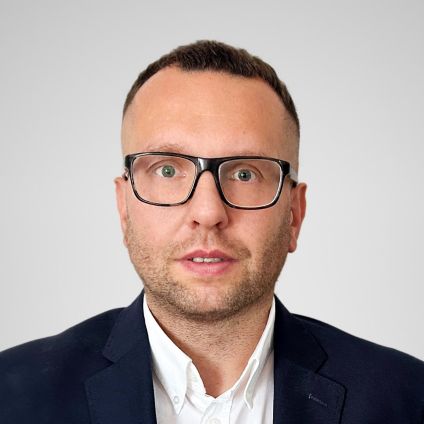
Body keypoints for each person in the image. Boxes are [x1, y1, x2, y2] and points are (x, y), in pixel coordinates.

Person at [0, 40, 423, 424]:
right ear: (124, 208)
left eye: (245, 173)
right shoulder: (12, 397)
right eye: (167, 170)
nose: (208, 213)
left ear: (294, 214)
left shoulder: (408, 399)